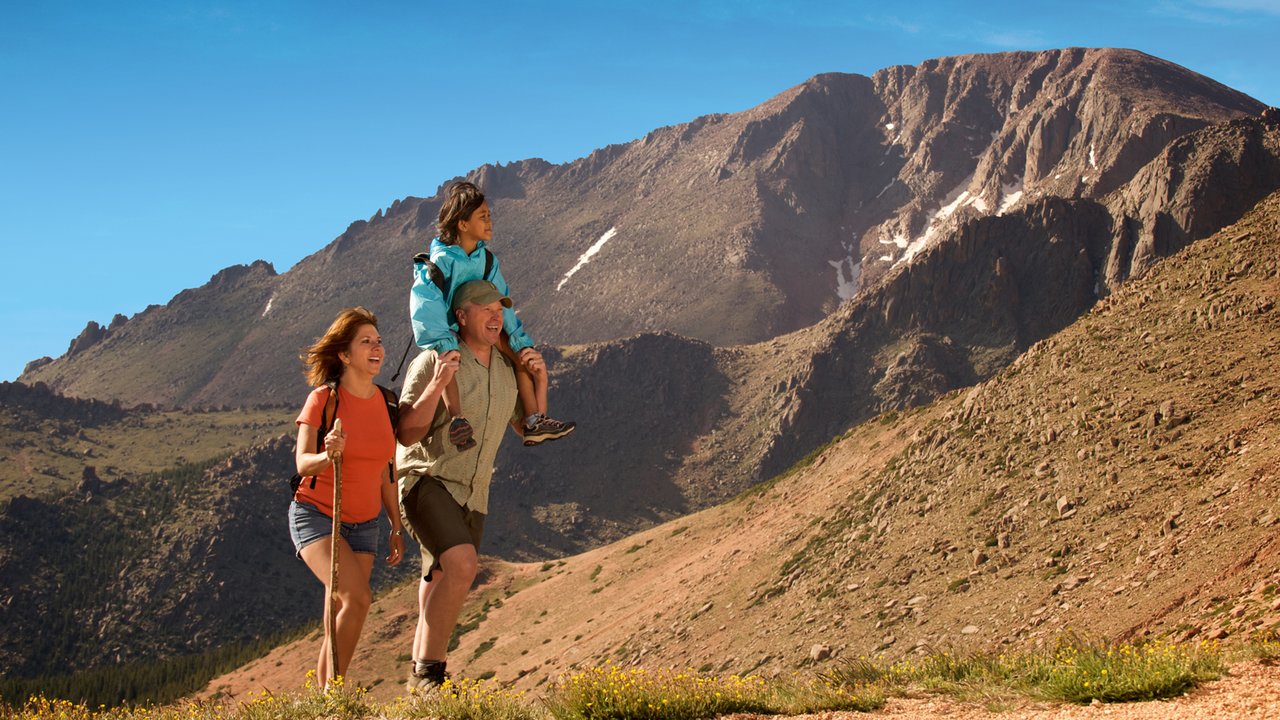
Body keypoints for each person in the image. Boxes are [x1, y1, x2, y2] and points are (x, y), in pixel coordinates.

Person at [397, 280, 531, 691]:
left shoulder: (507, 372)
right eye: (485, 308)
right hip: (427, 478)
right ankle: (429, 675)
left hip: (474, 494)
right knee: (462, 565)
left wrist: (538, 379)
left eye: (500, 309)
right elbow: (405, 432)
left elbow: (527, 430)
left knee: (440, 581)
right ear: (461, 316)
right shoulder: (435, 361)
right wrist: (438, 383)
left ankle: (420, 693)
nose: (496, 316)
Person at [409, 180, 575, 451]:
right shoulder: (440, 262)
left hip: (480, 328)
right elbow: (426, 304)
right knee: (449, 363)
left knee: (518, 360)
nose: (490, 222)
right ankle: (457, 420)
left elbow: (503, 304)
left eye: (489, 216)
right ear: (462, 224)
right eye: (482, 217)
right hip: (450, 330)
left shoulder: (487, 261)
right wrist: (443, 341)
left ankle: (534, 421)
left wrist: (520, 343)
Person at [290, 307, 405, 687]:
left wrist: (396, 523)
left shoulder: (387, 403)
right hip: (317, 515)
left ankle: (323, 701)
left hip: (364, 523)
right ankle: (333, 697)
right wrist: (329, 454)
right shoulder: (323, 399)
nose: (377, 348)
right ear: (344, 354)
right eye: (366, 342)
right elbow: (304, 464)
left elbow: (386, 469)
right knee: (357, 600)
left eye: (379, 341)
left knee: (341, 608)